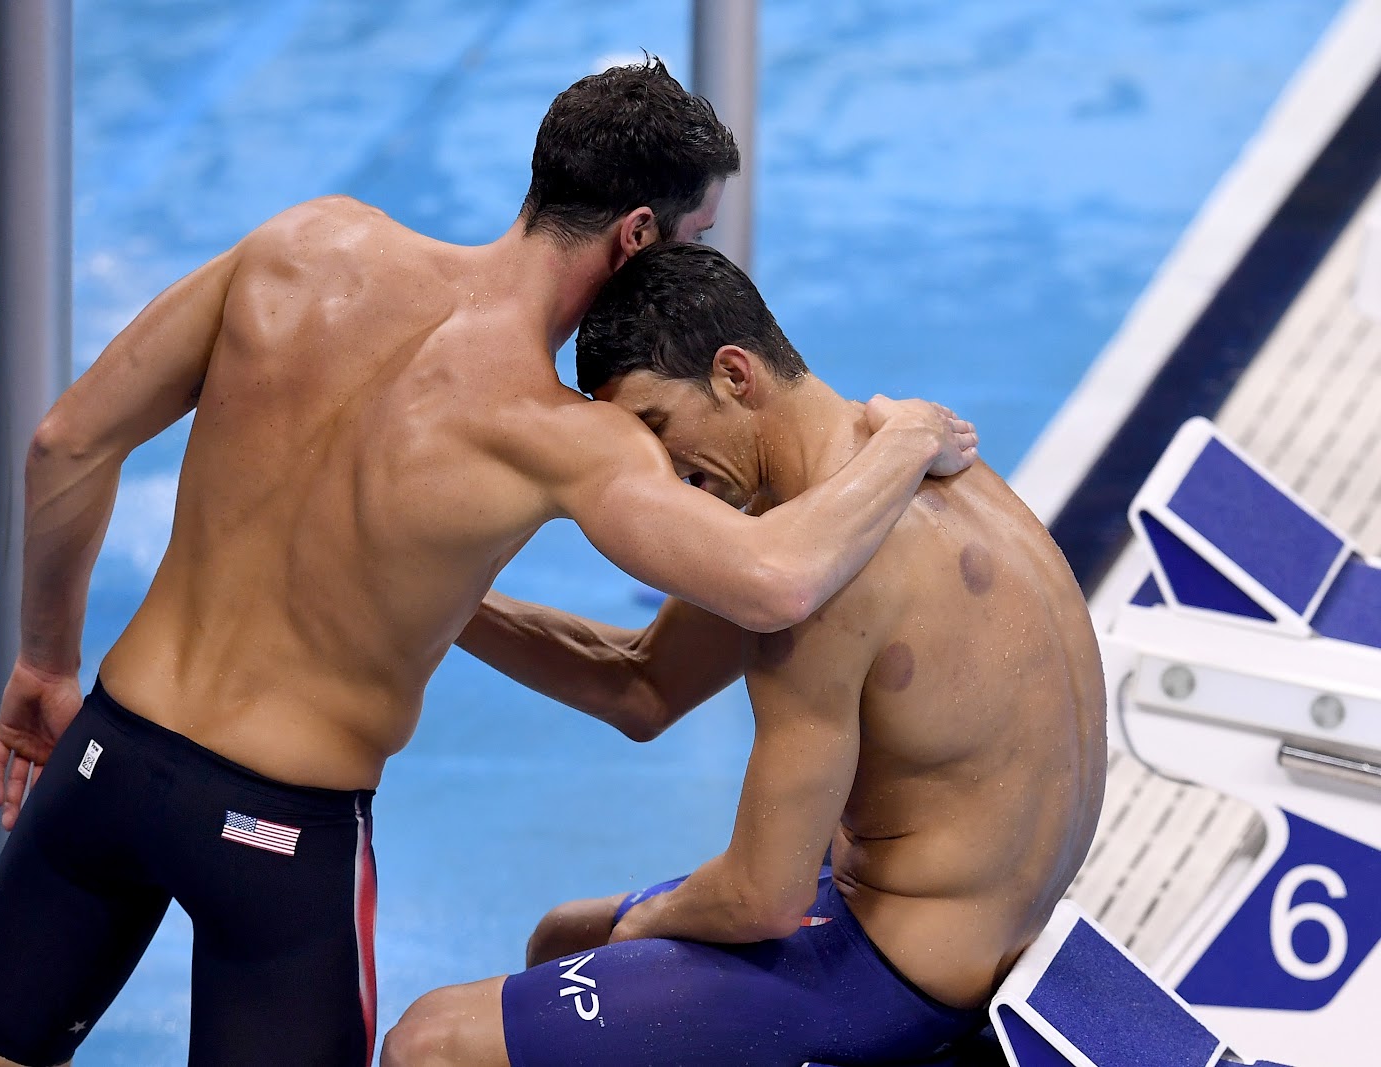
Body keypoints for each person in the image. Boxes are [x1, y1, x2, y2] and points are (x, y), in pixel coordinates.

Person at [0, 61, 976, 1067]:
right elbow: (776, 578)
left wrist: (44, 665)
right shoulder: (564, 434)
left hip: (107, 754)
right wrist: (901, 438)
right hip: (278, 838)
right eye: (692, 237)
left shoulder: (304, 243)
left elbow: (65, 444)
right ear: (637, 235)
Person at [381, 242, 1105, 1067]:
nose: (657, 472)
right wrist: (438, 594)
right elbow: (643, 685)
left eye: (656, 427)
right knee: (561, 938)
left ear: (733, 373)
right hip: (990, 917)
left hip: (898, 970)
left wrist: (647, 921)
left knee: (429, 1042)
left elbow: (765, 898)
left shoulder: (820, 587)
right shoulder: (915, 462)